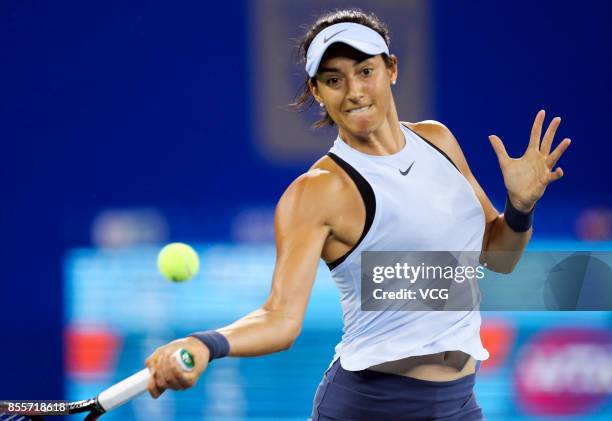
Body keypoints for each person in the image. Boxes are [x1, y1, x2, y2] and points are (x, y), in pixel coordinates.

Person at [145, 9, 571, 420]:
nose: (353, 91)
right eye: (334, 80)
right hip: (370, 407)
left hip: (458, 403)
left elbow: (500, 256)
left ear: (392, 69)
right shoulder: (316, 192)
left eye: (365, 71)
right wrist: (205, 344)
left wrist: (520, 206)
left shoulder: (438, 140)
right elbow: (280, 318)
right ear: (317, 92)